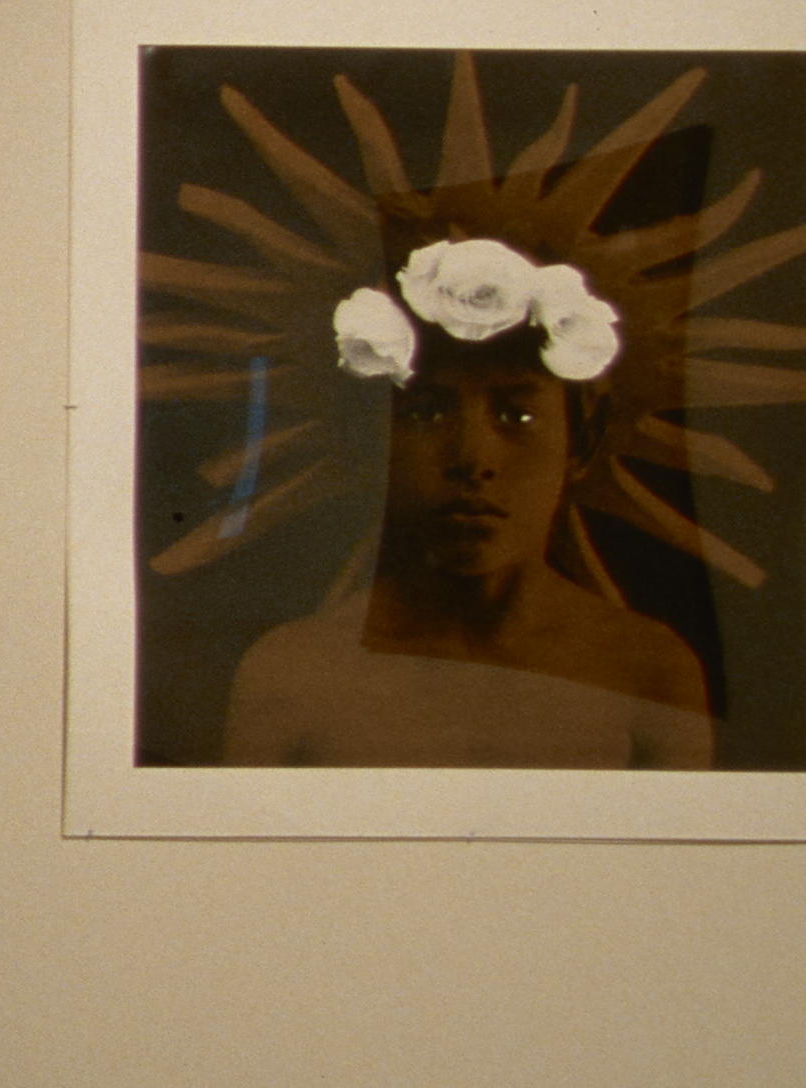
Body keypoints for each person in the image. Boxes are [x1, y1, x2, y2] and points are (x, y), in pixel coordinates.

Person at [223, 290, 711, 769]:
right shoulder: (292, 672)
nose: (471, 458)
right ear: (376, 441)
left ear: (580, 442)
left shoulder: (649, 670)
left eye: (515, 414)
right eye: (424, 411)